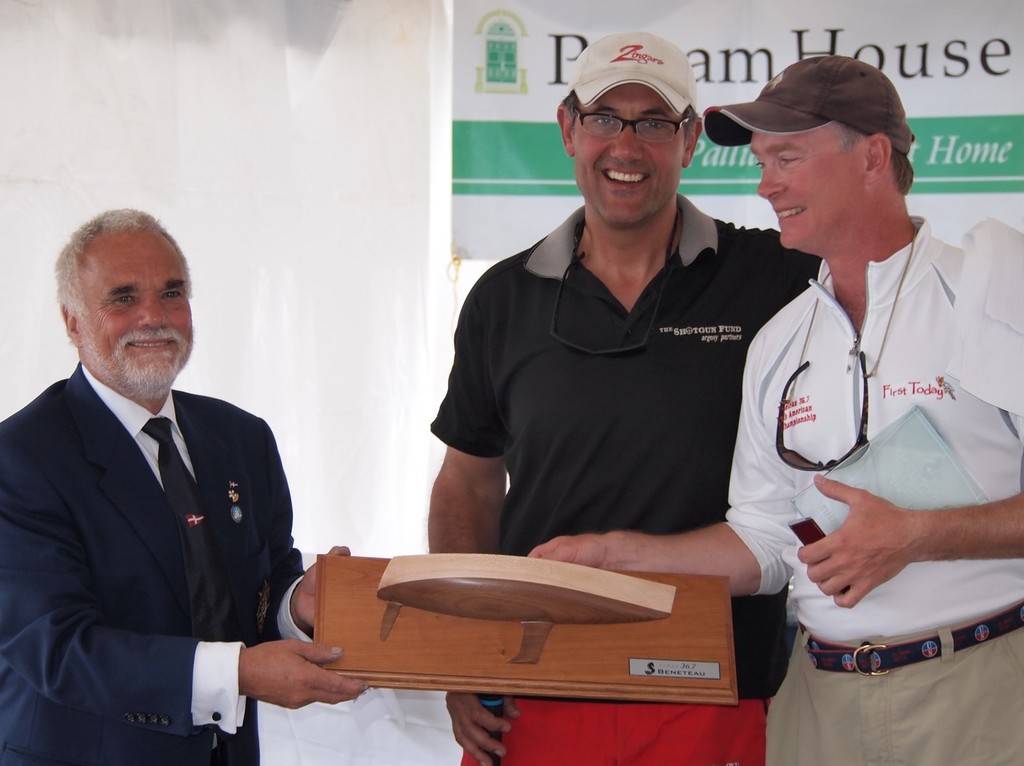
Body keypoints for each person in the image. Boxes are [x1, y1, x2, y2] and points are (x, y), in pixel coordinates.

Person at [532, 55, 1024, 766]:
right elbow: (764, 543)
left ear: (873, 157)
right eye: (762, 161)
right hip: (819, 703)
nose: (766, 186)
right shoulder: (779, 343)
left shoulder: (990, 285)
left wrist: (920, 534)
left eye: (787, 157)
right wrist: (613, 555)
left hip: (979, 689)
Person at [429, 31, 819, 766]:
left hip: (719, 689)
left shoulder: (777, 279)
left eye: (655, 123)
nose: (627, 148)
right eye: (606, 119)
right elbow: (467, 482)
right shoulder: (502, 298)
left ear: (692, 140)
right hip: (538, 690)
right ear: (568, 128)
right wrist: (461, 655)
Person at [0, 209, 368, 765]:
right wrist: (239, 673)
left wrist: (301, 605)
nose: (154, 316)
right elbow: (58, 649)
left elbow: (258, 590)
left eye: (172, 293)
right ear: (72, 322)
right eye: (123, 298)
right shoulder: (22, 458)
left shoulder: (241, 437)